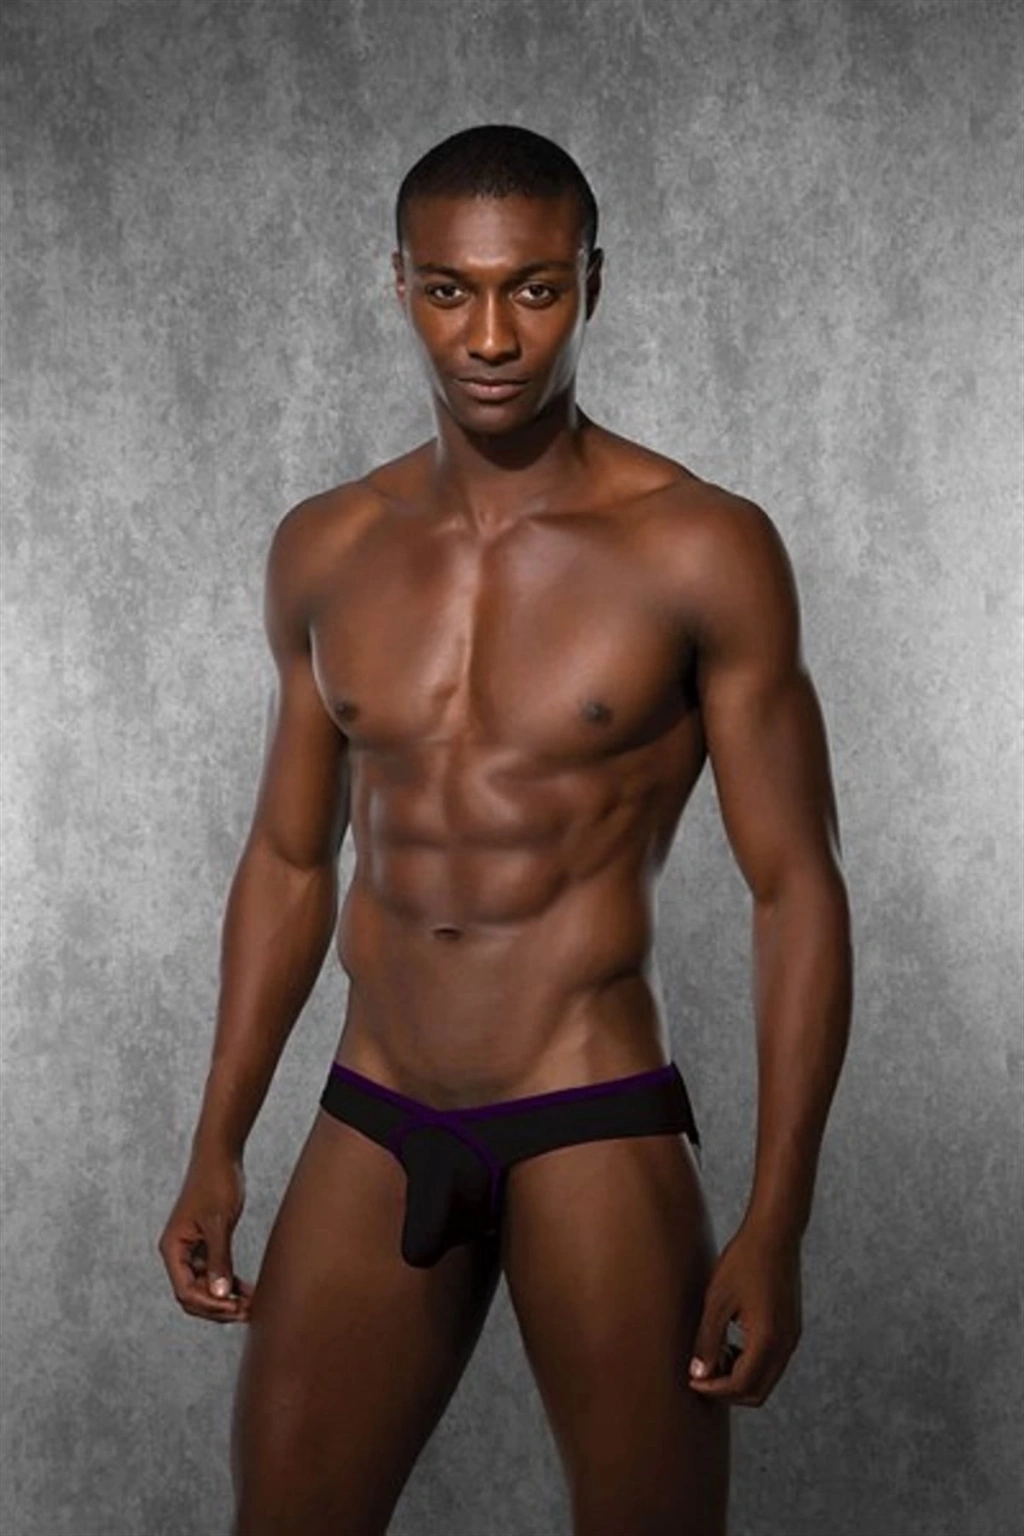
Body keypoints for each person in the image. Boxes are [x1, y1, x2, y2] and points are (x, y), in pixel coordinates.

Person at [158, 122, 853, 1536]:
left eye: (533, 289)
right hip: (375, 1107)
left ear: (592, 281)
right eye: (450, 290)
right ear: (399, 284)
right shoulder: (325, 548)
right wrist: (216, 1140)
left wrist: (777, 1220)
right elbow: (291, 860)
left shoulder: (700, 547)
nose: (489, 337)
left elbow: (796, 888)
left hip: (587, 1111)